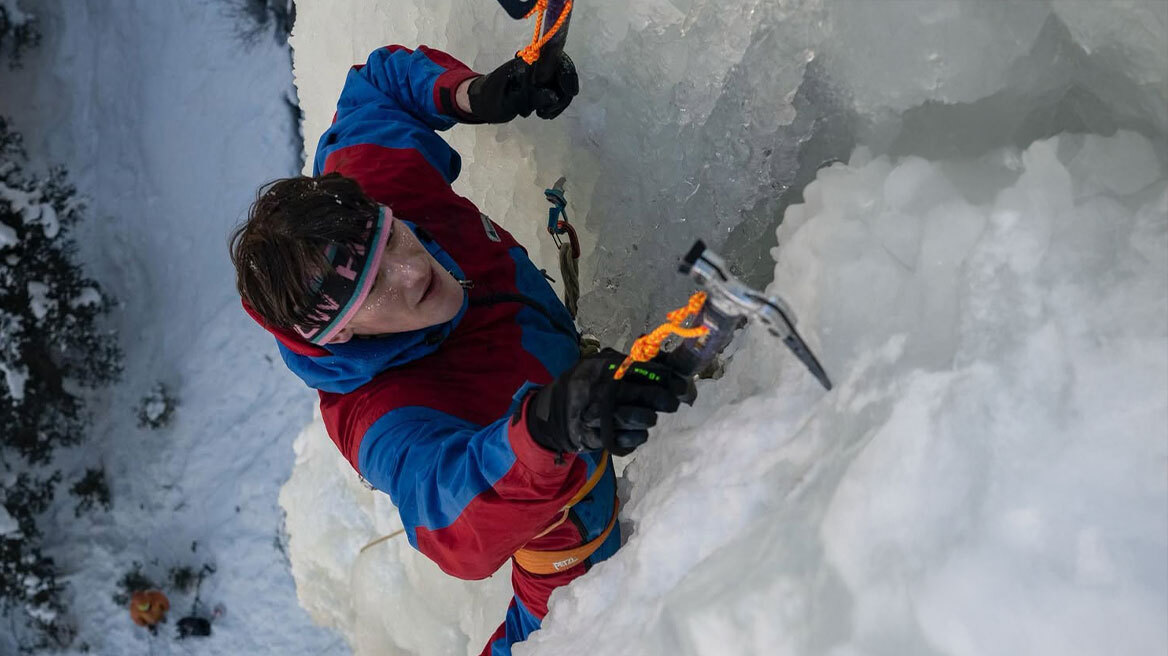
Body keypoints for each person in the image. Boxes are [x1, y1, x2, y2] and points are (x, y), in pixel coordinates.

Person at [230, 45, 691, 655]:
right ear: (339, 334)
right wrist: (550, 429)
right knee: (573, 631)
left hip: (571, 383)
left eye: (394, 236)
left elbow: (377, 88)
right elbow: (450, 518)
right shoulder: (376, 416)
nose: (411, 270)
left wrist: (478, 94)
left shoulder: (367, 187)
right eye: (373, 292)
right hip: (564, 513)